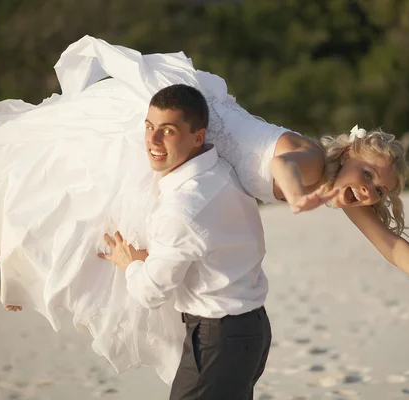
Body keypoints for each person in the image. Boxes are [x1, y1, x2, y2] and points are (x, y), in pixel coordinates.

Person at [0, 36, 409, 384]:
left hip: (201, 165)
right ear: (349, 156)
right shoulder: (311, 158)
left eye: (379, 192)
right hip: (195, 134)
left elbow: (390, 245)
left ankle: (24, 276)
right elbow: (282, 167)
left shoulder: (332, 185)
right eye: (367, 176)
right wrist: (298, 196)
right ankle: (18, 271)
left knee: (116, 237)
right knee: (71, 179)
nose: (368, 193)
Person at [98, 83, 302, 399]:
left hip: (217, 340)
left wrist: (130, 264)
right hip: (250, 329)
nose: (152, 140)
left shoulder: (182, 207)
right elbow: (205, 244)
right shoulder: (221, 169)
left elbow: (151, 293)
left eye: (167, 131)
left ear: (198, 136)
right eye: (149, 127)